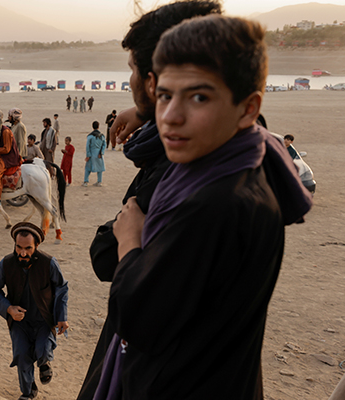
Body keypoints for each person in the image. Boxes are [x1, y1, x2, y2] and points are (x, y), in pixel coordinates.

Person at [93, 15, 312, 399]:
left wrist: (129, 241)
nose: (171, 116)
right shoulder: (238, 165)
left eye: (198, 97)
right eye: (164, 95)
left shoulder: (212, 202)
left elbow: (139, 319)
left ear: (247, 108)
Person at [78, 3, 223, 399]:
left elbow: (110, 263)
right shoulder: (237, 149)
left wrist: (126, 239)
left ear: (153, 79)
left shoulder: (182, 174)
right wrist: (148, 113)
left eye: (132, 71)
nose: (128, 80)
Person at [0, 222, 69, 400]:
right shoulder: (7, 263)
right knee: (22, 356)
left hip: (44, 320)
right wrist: (9, 308)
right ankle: (29, 391)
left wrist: (61, 317)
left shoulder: (49, 263)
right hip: (19, 322)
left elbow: (62, 288)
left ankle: (44, 362)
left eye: (27, 248)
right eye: (19, 247)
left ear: (36, 246)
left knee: (42, 349)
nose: (22, 253)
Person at [83, 121, 105, 187]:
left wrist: (88, 155)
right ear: (98, 126)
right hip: (99, 154)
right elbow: (104, 145)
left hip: (92, 153)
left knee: (88, 168)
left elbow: (87, 146)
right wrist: (101, 153)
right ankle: (99, 181)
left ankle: (86, 181)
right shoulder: (102, 136)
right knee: (100, 168)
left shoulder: (90, 136)